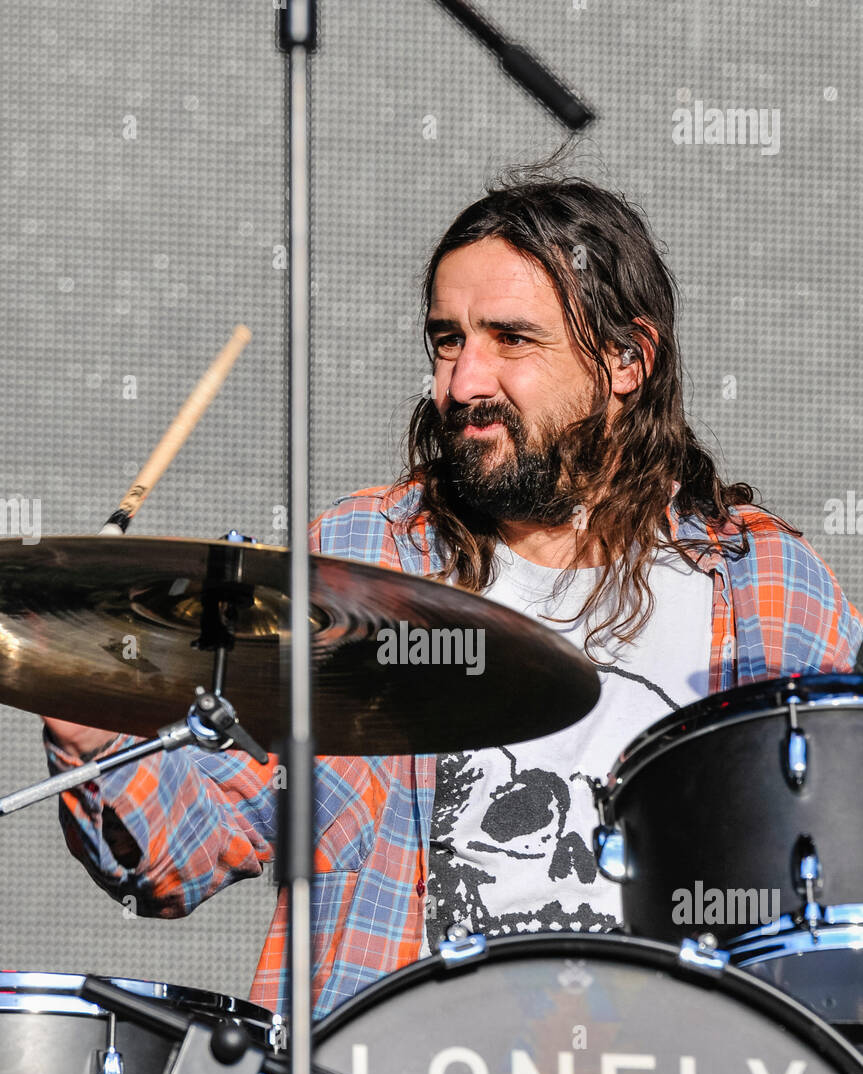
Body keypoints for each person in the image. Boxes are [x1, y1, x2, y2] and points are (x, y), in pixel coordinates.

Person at [43, 169, 862, 1019]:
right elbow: (188, 849)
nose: (464, 382)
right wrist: (95, 731)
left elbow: (833, 888)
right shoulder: (362, 564)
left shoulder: (762, 585)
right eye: (446, 339)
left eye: (511, 339)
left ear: (627, 360)